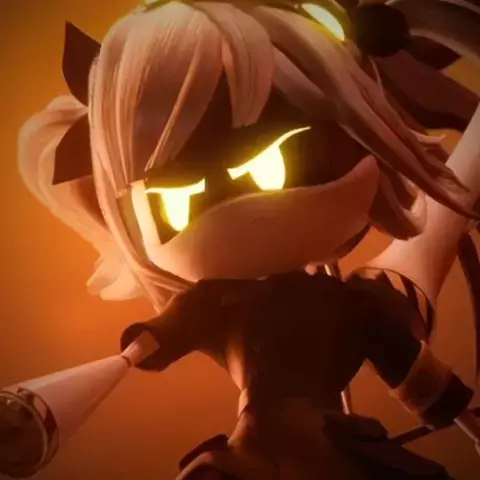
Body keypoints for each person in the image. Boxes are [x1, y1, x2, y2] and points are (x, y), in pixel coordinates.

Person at [16, 0, 480, 478]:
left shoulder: (356, 306)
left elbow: (421, 380)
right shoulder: (220, 304)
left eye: (268, 165)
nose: (223, 192)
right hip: (254, 452)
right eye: (177, 199)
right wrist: (129, 356)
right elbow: (158, 341)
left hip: (321, 450)